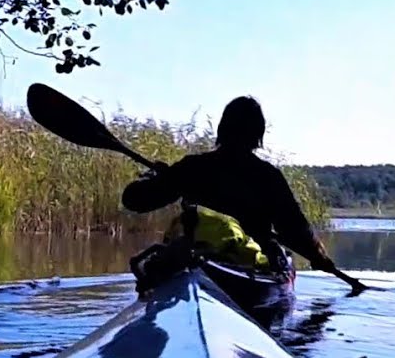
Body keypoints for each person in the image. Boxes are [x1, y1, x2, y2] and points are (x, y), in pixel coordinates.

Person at [121, 95, 368, 295]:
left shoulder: (192, 168)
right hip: (247, 262)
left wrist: (157, 180)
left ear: (222, 130)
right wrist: (319, 256)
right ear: (258, 136)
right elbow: (295, 230)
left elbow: (134, 199)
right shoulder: (267, 176)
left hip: (193, 256)